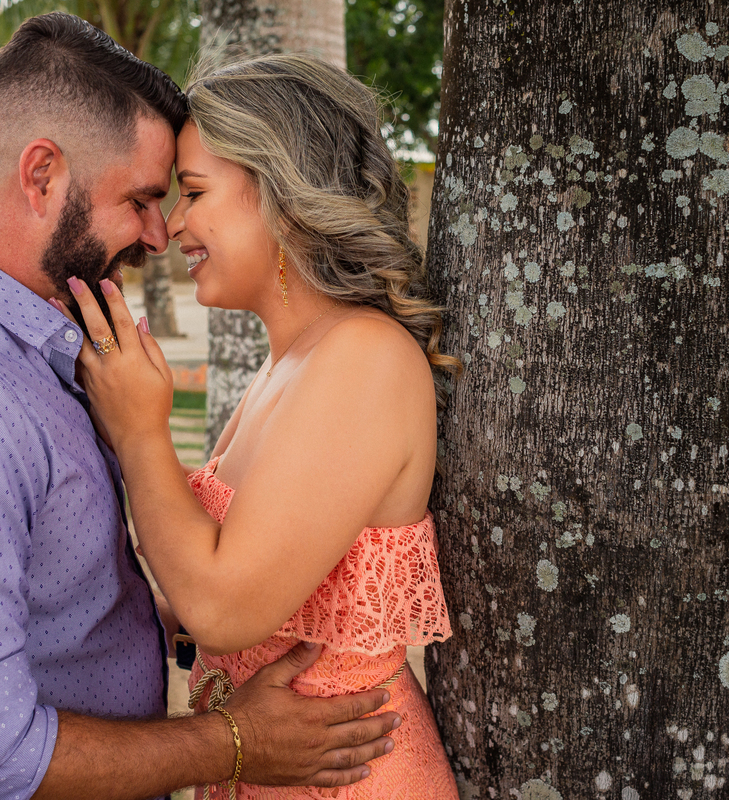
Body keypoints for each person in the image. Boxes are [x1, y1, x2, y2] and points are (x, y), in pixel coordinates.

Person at [0, 15, 399, 800]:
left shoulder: (30, 349)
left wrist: (148, 612)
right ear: (42, 175)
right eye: (145, 199)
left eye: (182, 197)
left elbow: (49, 582)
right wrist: (228, 743)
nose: (160, 235)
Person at [56, 53, 462, 799]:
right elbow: (213, 600)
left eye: (196, 193)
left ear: (281, 198)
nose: (172, 226)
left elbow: (223, 606)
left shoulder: (363, 359)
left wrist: (141, 432)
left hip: (349, 780)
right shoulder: (291, 364)